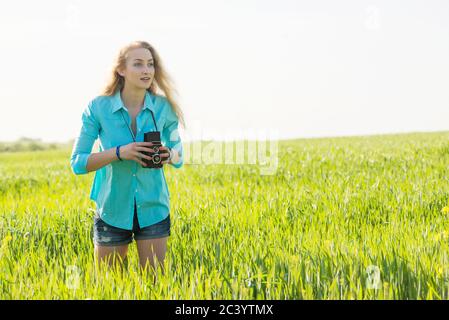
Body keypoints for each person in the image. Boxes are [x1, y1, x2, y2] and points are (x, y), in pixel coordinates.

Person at [70, 40, 185, 280]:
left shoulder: (164, 108)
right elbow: (78, 163)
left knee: (156, 286)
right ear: (121, 70)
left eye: (150, 64)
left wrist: (167, 154)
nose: (147, 71)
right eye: (138, 64)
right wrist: (120, 152)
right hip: (112, 209)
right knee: (110, 288)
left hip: (154, 208)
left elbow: (179, 155)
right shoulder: (98, 108)